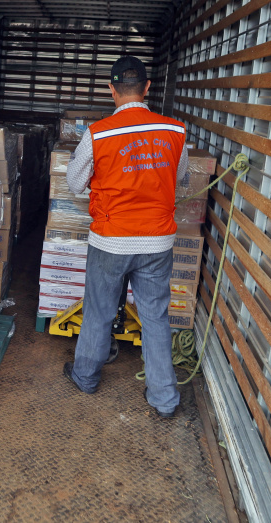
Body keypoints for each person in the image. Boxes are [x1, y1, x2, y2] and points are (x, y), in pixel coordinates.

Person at [63, 56, 189, 418]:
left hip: (111, 240)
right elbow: (179, 180)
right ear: (147, 88)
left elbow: (73, 184)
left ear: (112, 90)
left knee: (100, 312)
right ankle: (165, 399)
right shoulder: (175, 131)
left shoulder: (98, 133)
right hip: (157, 241)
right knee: (155, 317)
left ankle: (85, 376)